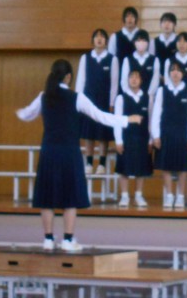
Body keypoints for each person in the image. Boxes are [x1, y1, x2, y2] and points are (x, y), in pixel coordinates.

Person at [16, 59, 142, 251]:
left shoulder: (43, 96)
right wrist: (127, 119)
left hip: (49, 151)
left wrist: (17, 111)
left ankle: (48, 240)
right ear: (68, 77)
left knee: (46, 196)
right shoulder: (77, 98)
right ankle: (68, 240)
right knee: (70, 197)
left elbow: (26, 115)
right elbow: (101, 116)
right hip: (69, 152)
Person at [152, 62, 187, 209]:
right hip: (166, 132)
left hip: (183, 133)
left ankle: (181, 196)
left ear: (183, 73)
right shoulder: (162, 90)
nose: (175, 73)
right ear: (169, 73)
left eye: (178, 70)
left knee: (183, 167)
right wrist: (155, 135)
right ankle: (169, 195)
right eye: (172, 70)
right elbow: (156, 113)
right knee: (166, 166)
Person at [75, 28, 119, 175]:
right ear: (93, 40)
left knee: (102, 134)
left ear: (106, 41)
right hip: (88, 100)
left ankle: (101, 163)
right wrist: (78, 101)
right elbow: (80, 80)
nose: (99, 39)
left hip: (104, 101)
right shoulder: (85, 58)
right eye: (96, 37)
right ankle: (88, 162)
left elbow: (114, 84)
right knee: (89, 133)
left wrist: (112, 103)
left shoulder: (112, 59)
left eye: (102, 37)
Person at [114, 70, 153, 208]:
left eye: (137, 77)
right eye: (131, 77)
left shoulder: (148, 98)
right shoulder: (121, 98)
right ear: (128, 80)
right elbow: (117, 120)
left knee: (141, 168)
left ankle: (138, 195)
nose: (134, 80)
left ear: (141, 80)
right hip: (126, 137)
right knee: (124, 168)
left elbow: (150, 120)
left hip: (143, 137)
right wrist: (118, 141)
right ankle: (124, 196)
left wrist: (150, 140)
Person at [120, 30, 160, 97]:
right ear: (134, 42)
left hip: (149, 97)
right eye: (138, 40)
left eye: (144, 40)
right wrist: (130, 95)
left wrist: (149, 95)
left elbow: (155, 80)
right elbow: (124, 80)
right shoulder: (127, 59)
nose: (141, 43)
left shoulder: (154, 60)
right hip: (130, 97)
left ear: (148, 43)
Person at [149, 12, 177, 78]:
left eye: (169, 22)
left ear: (174, 25)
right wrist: (159, 76)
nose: (166, 25)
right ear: (160, 25)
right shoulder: (154, 41)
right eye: (164, 22)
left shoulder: (179, 41)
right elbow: (151, 61)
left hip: (175, 78)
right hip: (157, 77)